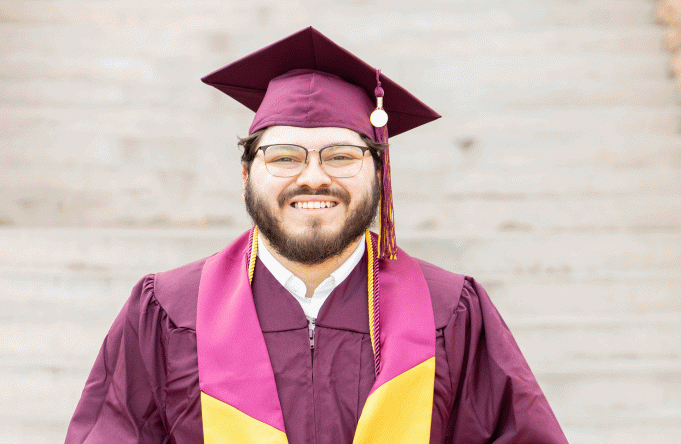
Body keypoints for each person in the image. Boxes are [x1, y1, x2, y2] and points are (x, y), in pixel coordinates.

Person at [65, 27, 569, 444]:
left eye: (341, 156)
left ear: (379, 172)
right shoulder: (169, 312)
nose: (313, 177)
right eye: (284, 156)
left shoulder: (451, 312)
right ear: (245, 173)